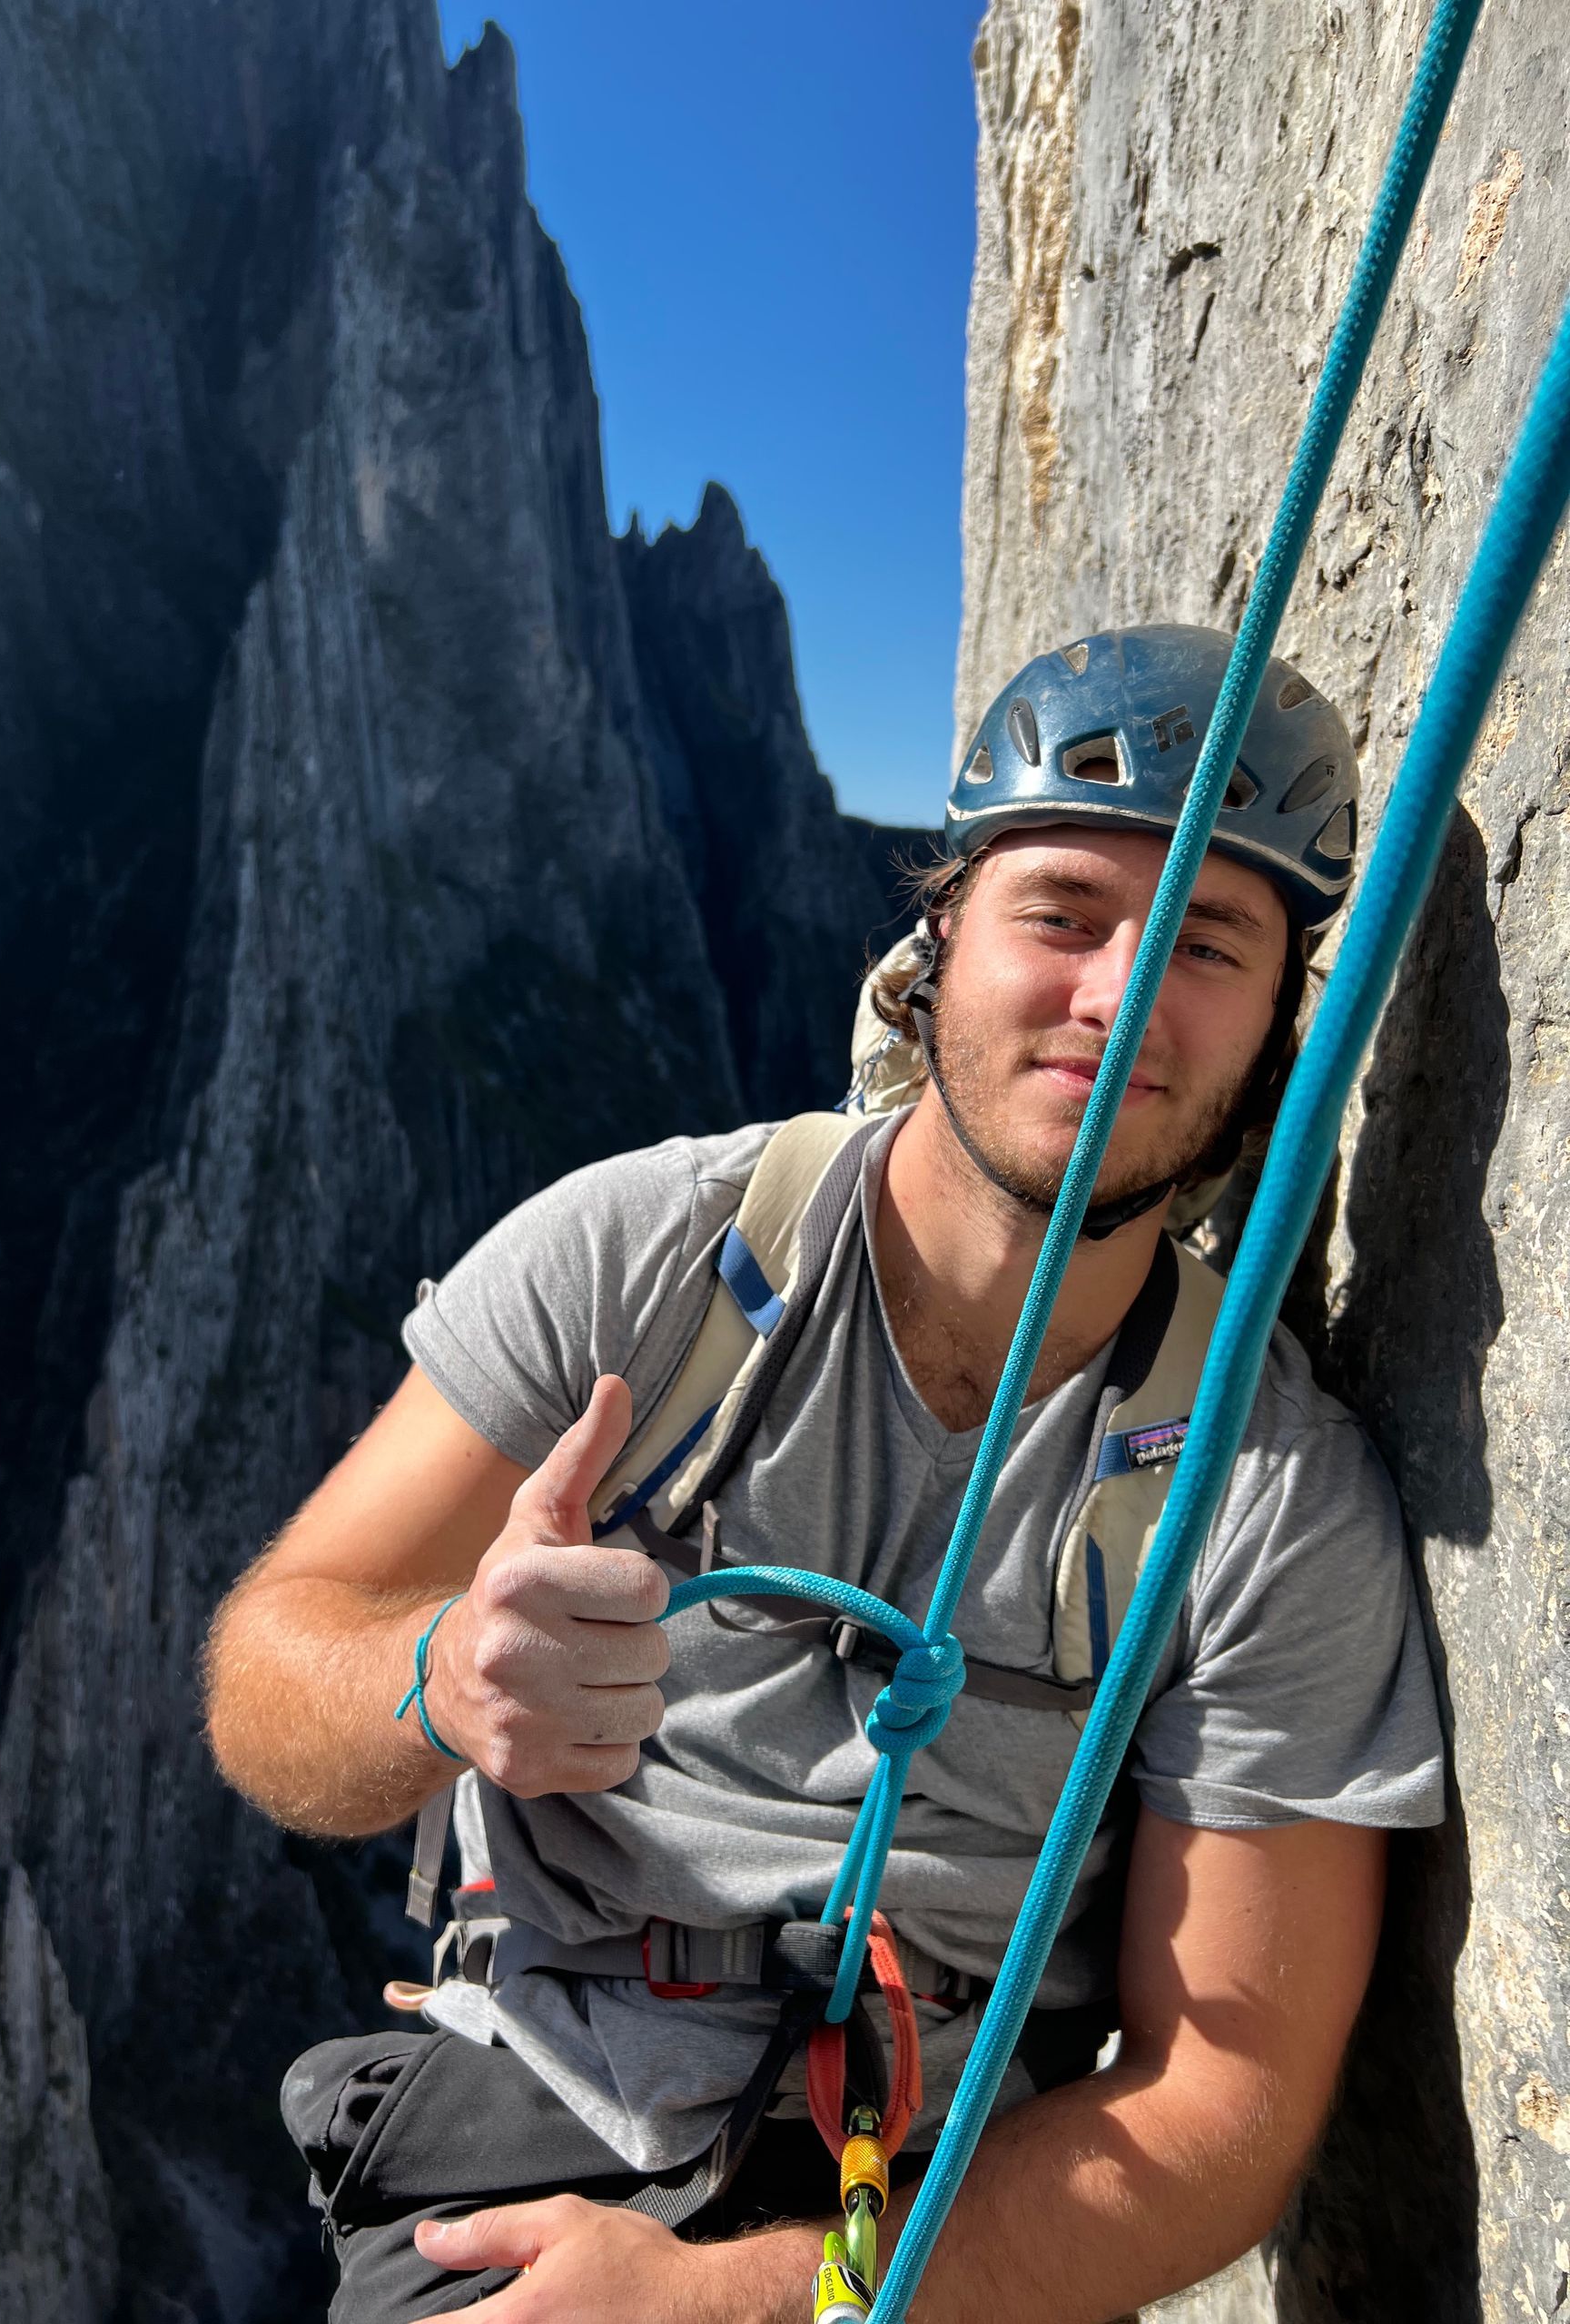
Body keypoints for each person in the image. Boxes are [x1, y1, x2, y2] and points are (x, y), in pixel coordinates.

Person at [203, 625, 1445, 2323]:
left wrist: (724, 2307)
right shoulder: (643, 1263)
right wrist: (441, 1681)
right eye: (1063, 914)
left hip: (920, 2224)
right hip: (541, 2133)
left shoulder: (1268, 1505)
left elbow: (1222, 2104)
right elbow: (267, 1670)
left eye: (1209, 943)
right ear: (939, 940)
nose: (1120, 996)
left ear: (1277, 1025)